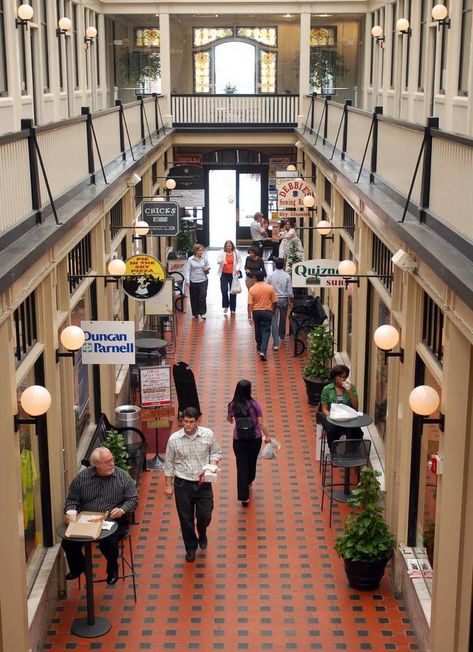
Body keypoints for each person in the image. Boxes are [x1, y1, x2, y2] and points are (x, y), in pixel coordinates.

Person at [61, 447, 138, 585]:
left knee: (109, 543)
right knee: (68, 543)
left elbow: (133, 500)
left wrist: (122, 509)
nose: (112, 464)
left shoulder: (122, 477)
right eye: (107, 462)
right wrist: (70, 512)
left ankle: (113, 570)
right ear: (97, 465)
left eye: (112, 460)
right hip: (87, 518)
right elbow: (72, 500)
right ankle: (79, 567)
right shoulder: (82, 477)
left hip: (113, 520)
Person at [164, 407, 222, 562]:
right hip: (182, 484)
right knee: (185, 519)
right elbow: (168, 463)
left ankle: (202, 531)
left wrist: (212, 465)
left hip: (203, 483)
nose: (188, 425)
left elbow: (216, 452)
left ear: (197, 421)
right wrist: (168, 485)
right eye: (185, 421)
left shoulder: (208, 435)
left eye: (191, 422)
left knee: (205, 515)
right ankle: (190, 547)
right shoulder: (174, 439)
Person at [227, 379, 271, 506]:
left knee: (241, 466)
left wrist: (233, 417)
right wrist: (267, 436)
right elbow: (261, 422)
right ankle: (249, 480)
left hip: (238, 439)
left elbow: (229, 420)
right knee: (251, 463)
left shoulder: (232, 405)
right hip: (254, 438)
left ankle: (244, 497)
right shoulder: (255, 404)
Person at [320, 365, 363, 451]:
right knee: (332, 431)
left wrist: (349, 392)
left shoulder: (351, 388)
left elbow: (355, 408)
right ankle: (334, 451)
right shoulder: (327, 389)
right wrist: (332, 417)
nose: (342, 379)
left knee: (357, 432)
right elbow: (324, 409)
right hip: (332, 418)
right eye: (340, 377)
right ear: (334, 377)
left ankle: (352, 452)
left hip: (347, 418)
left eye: (344, 377)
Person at [247, 270, 277, 361]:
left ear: (255, 278)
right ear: (264, 277)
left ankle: (259, 347)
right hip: (267, 312)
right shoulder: (270, 288)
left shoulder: (252, 289)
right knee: (266, 331)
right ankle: (263, 351)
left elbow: (249, 304)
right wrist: (273, 311)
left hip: (256, 312)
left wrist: (249, 316)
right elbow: (275, 301)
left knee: (258, 330)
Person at [267, 257, 293, 350]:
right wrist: (290, 301)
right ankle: (282, 335)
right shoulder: (287, 276)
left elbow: (267, 288)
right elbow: (289, 291)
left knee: (273, 320)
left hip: (273, 300)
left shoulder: (270, 275)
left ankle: (275, 342)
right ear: (284, 265)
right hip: (283, 299)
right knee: (283, 318)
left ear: (275, 265)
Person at [185, 243, 211, 319]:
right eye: (200, 250)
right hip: (193, 281)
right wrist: (187, 281)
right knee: (194, 297)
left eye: (202, 250)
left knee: (202, 296)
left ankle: (202, 312)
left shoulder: (204, 258)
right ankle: (195, 313)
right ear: (195, 251)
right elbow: (187, 270)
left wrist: (207, 268)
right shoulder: (190, 259)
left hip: (203, 280)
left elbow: (209, 265)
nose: (201, 252)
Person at [216, 240, 243, 314]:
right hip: (224, 274)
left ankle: (233, 308)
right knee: (224, 290)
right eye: (227, 246)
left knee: (233, 291)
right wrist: (222, 261)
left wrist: (237, 269)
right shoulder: (222, 252)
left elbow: (240, 261)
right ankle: (226, 305)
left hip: (233, 274)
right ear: (225, 246)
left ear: (232, 246)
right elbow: (217, 260)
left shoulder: (236, 252)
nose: (228, 248)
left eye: (230, 246)